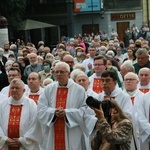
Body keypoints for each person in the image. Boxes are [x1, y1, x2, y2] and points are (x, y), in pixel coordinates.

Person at [37, 62, 96, 150]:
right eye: (56, 72)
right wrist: (54, 112)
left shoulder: (79, 90)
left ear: (68, 74)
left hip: (72, 132)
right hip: (53, 131)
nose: (58, 74)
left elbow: (85, 110)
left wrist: (66, 113)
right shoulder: (48, 89)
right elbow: (41, 109)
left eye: (61, 72)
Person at [0, 78, 42, 149]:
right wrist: (4, 139)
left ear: (24, 90)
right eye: (12, 88)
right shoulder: (2, 104)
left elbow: (35, 125)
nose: (14, 90)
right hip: (7, 144)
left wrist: (22, 140)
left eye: (17, 88)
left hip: (24, 145)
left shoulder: (31, 104)